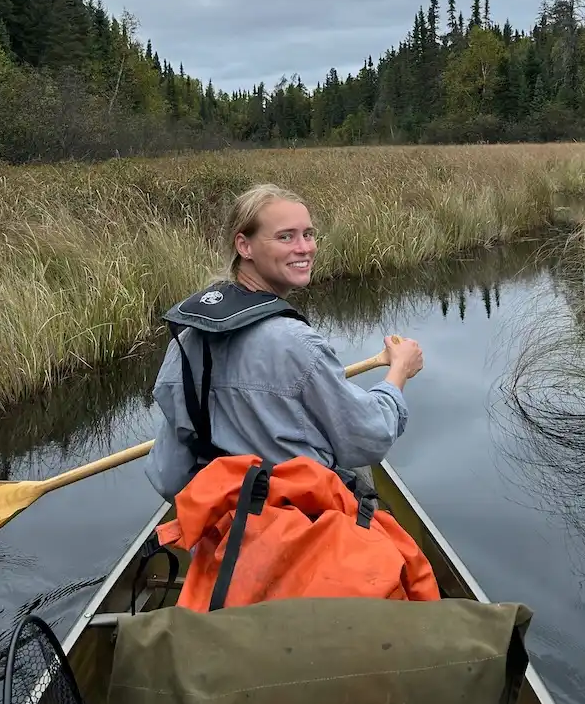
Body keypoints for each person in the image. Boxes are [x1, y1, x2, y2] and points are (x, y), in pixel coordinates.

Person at [145, 182, 424, 502]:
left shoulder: (184, 342)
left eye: (308, 234)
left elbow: (169, 478)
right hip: (300, 532)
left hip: (224, 536)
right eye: (285, 236)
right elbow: (368, 439)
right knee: (357, 475)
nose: (305, 248)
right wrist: (398, 372)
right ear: (244, 246)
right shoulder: (300, 345)